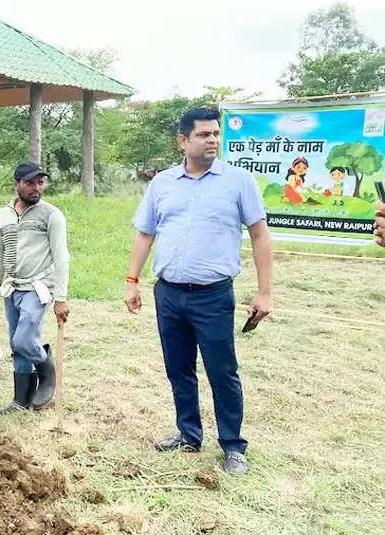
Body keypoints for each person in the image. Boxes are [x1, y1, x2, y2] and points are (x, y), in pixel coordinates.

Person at [124, 107, 273, 476]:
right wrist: (132, 280)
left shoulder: (239, 182)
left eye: (215, 134)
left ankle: (233, 446)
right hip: (169, 294)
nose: (212, 140)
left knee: (222, 371)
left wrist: (265, 292)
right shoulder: (162, 183)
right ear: (183, 141)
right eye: (204, 134)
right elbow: (145, 233)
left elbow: (259, 235)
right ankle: (188, 433)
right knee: (179, 368)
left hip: (213, 296)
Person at [0, 161, 70, 415]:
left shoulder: (51, 215)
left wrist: (61, 298)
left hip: (38, 287)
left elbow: (61, 257)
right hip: (12, 288)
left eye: (40, 182)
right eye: (30, 182)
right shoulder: (4, 214)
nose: (36, 188)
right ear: (17, 184)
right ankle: (20, 401)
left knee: (24, 340)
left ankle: (47, 371)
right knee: (15, 344)